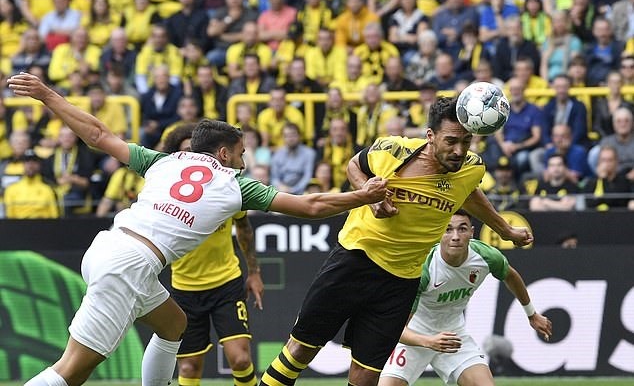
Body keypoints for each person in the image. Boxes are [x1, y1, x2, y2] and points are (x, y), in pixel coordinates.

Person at [8, 72, 388, 386]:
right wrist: (363, 194)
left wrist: (46, 94)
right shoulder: (234, 184)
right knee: (72, 370)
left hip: (108, 247)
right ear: (223, 153)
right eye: (240, 153)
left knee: (173, 324)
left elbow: (97, 134)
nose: (243, 161)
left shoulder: (163, 161)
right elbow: (311, 205)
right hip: (129, 265)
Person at [259, 97, 533, 386]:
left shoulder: (471, 168)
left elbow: (468, 191)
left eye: (466, 142)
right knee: (301, 350)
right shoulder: (392, 150)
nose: (459, 150)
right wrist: (368, 196)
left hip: (401, 283)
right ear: (430, 136)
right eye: (451, 141)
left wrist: (505, 229)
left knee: (366, 375)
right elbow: (355, 164)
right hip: (354, 261)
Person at [378, 211, 552, 386]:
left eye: (462, 229)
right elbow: (397, 328)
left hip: (453, 335)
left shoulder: (486, 256)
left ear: (472, 232)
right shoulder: (424, 268)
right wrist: (429, 341)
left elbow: (511, 276)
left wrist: (532, 314)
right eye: (448, 230)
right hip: (414, 335)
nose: (455, 237)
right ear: (439, 232)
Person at [160, 124, 263, 386]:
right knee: (190, 367)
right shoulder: (169, 192)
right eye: (186, 152)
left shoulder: (226, 188)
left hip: (226, 284)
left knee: (240, 360)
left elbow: (244, 228)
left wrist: (254, 272)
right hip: (184, 290)